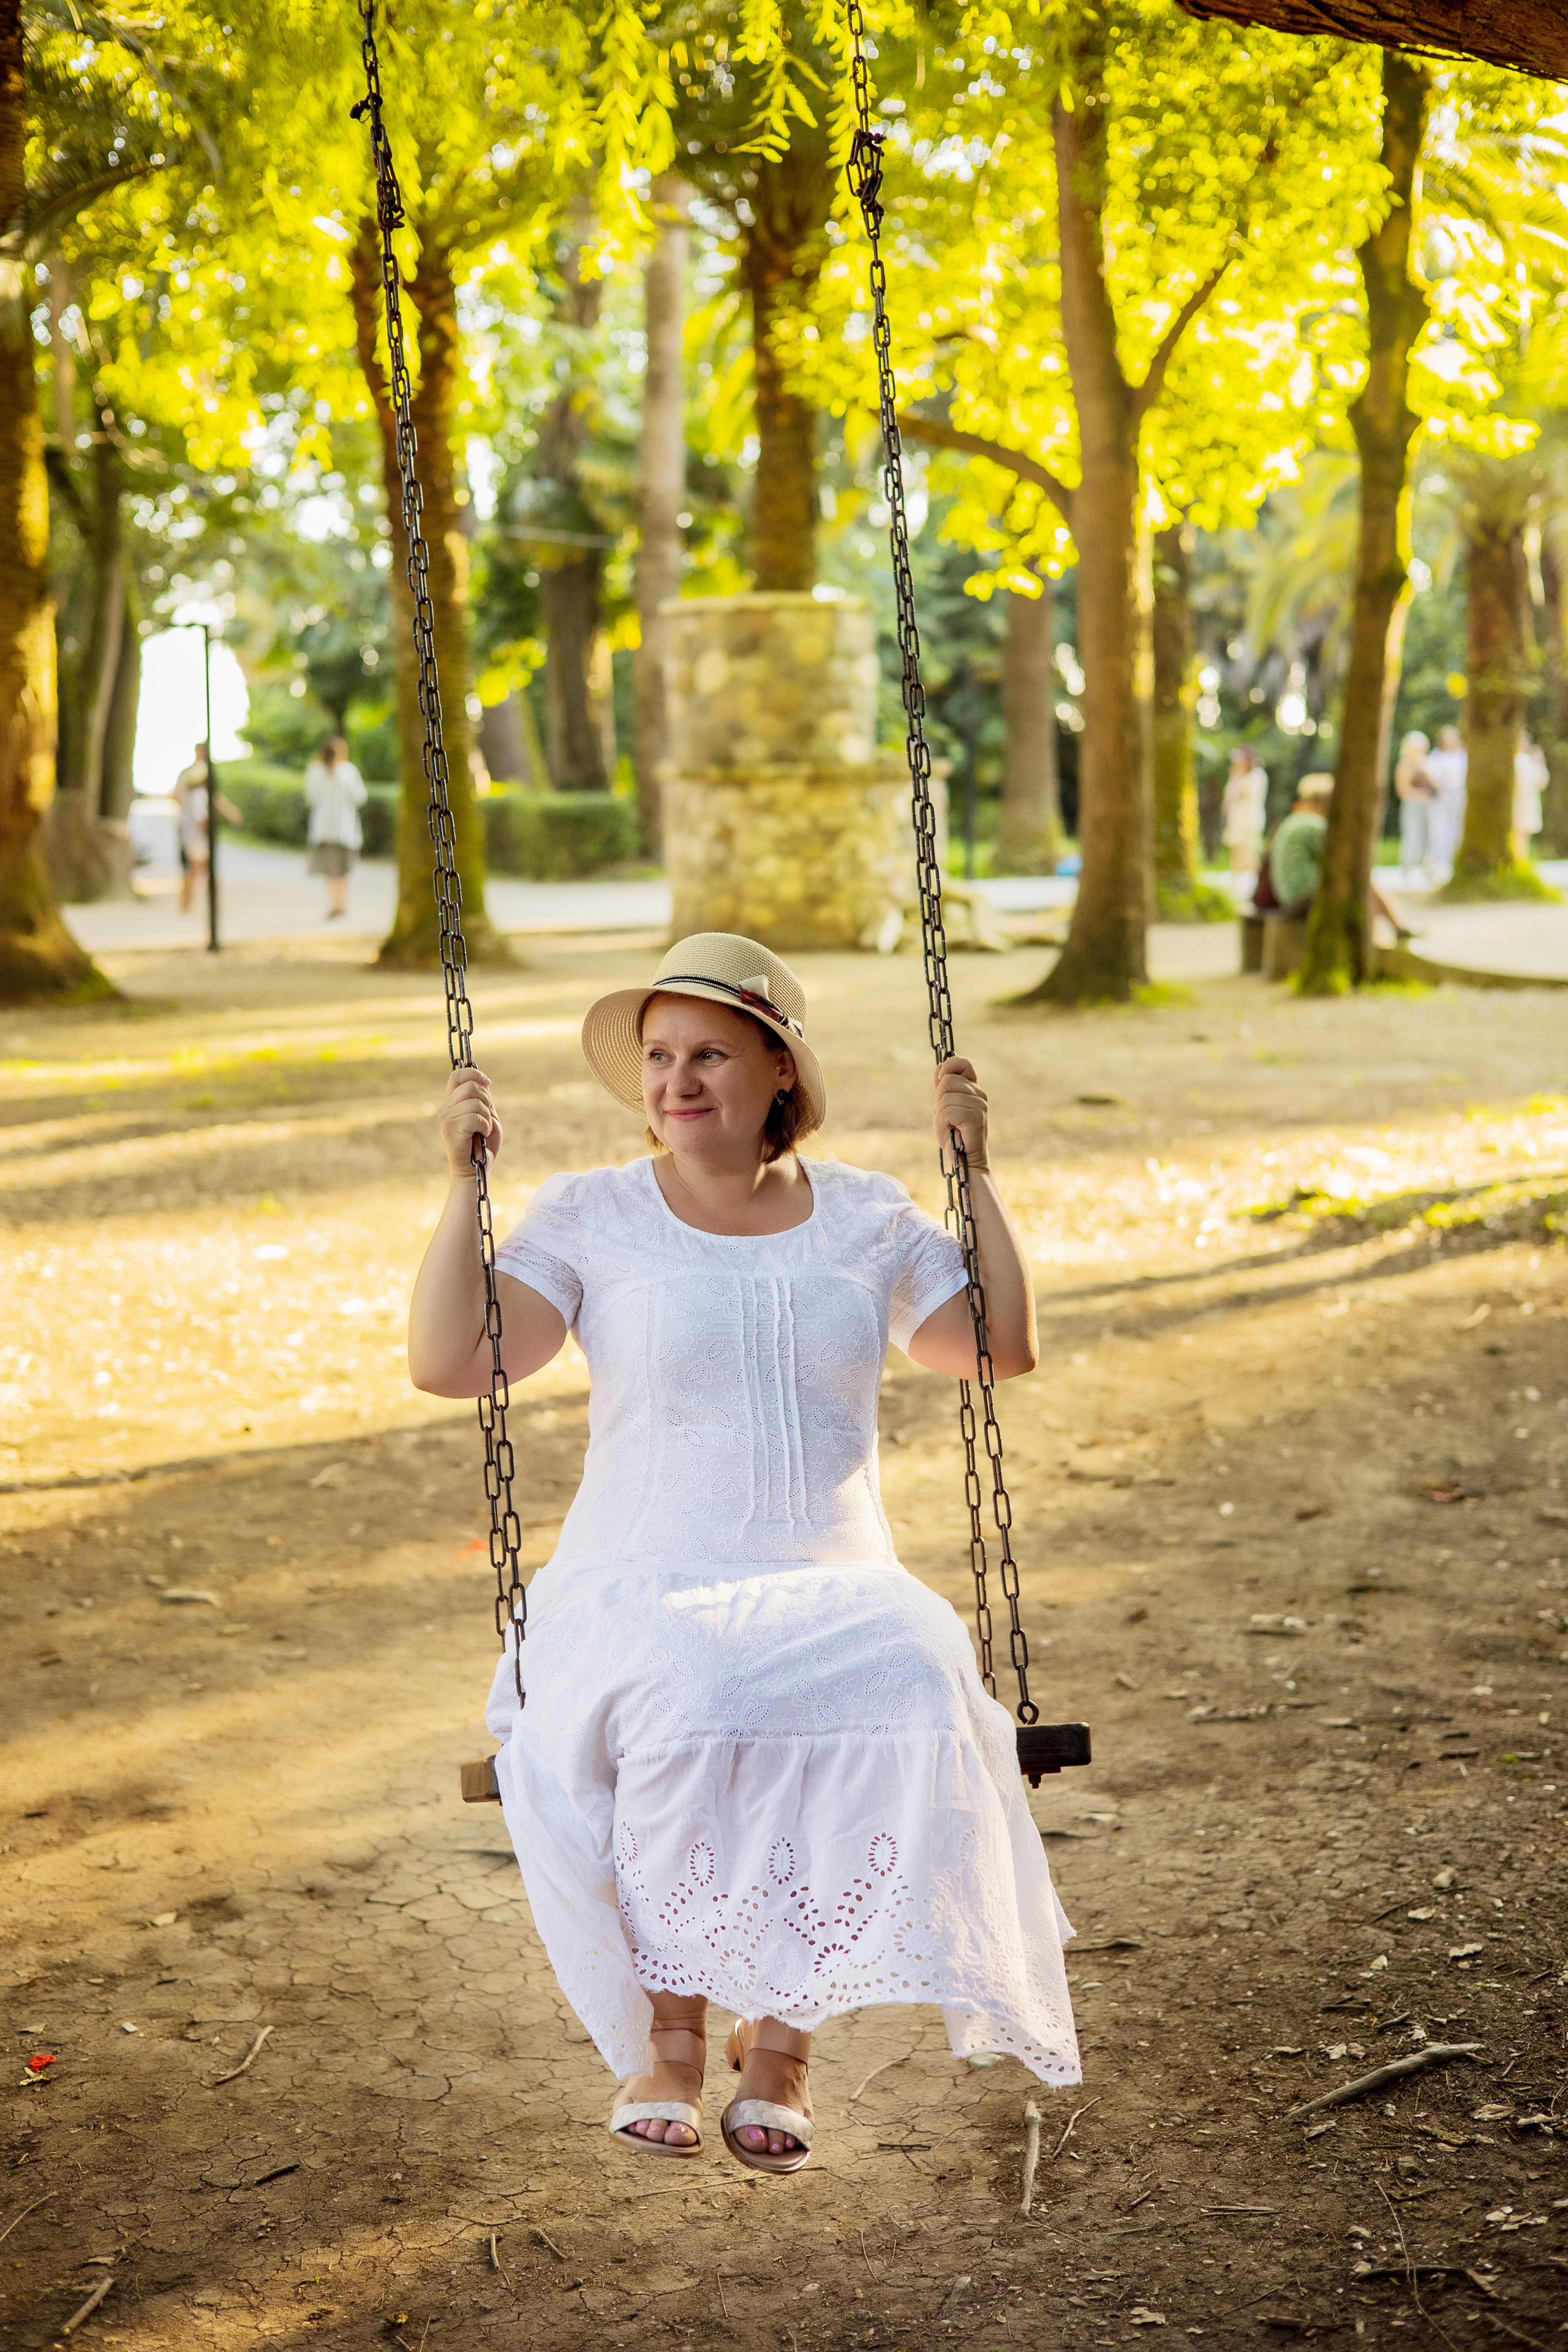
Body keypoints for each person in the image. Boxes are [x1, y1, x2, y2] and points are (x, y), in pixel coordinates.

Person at [407, 933, 1080, 2176]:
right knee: (693, 1682)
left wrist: (972, 1169)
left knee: (911, 1670)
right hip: (641, 1572)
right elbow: (455, 1362)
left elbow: (994, 1346)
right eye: (659, 1056)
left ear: (780, 1070)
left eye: (709, 1054)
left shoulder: (866, 1216)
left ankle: (781, 2047)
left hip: (834, 1575)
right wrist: (462, 1188)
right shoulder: (595, 1215)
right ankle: (670, 2039)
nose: (676, 1080)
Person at [1266, 773, 1414, 940]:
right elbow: (1349, 860)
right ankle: (1394, 929)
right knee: (1363, 879)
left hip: (1290, 896)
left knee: (1360, 882)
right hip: (1306, 895)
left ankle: (1390, 931)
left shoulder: (1293, 822)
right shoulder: (1312, 825)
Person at [303, 735, 368, 919]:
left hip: (324, 829)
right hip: (344, 829)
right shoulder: (349, 771)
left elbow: (311, 798)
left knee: (331, 870)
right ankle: (341, 903)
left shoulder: (315, 771)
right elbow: (360, 797)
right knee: (343, 869)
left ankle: (335, 903)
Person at [173, 742, 239, 914]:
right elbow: (200, 810)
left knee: (199, 868)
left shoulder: (200, 781)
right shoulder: (195, 786)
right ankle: (191, 904)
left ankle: (192, 904)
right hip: (196, 833)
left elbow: (216, 798)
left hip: (194, 831)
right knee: (196, 867)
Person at [1392, 729, 1437, 881]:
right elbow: (1403, 790)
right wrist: (1421, 796)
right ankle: (1408, 867)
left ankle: (1428, 866)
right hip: (1412, 805)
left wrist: (1426, 769)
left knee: (1429, 836)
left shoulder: (1427, 763)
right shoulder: (1404, 765)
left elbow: (1436, 785)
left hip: (1428, 806)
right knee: (1412, 835)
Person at [1425, 724, 1468, 879]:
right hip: (1442, 795)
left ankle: (1455, 859)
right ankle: (1439, 862)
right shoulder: (1437, 756)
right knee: (1440, 829)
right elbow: (1433, 775)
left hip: (1459, 794)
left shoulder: (1463, 755)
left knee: (1458, 826)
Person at [1221, 744, 1268, 882]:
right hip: (1236, 819)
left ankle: (1261, 881)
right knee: (1236, 850)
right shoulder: (1237, 776)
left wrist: (1236, 777)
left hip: (1249, 820)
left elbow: (1244, 794)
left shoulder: (1257, 775)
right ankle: (1236, 883)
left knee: (1246, 852)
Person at [1513, 731, 1549, 864]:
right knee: (1516, 830)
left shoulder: (1530, 761)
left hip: (1529, 801)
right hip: (1517, 801)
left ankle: (1522, 859)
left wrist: (1540, 763)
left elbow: (1541, 782)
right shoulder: (1513, 760)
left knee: (1526, 830)